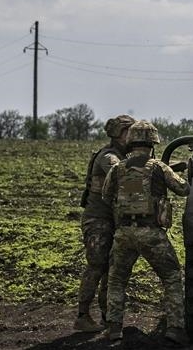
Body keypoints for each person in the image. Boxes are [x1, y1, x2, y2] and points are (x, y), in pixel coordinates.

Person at [101, 120, 191, 344]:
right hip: (151, 233)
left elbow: (105, 196)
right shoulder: (158, 167)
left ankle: (114, 329)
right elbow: (183, 189)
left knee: (117, 280)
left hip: (123, 233)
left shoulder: (118, 168)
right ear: (153, 143)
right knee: (171, 278)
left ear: (130, 142)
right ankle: (175, 329)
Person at [74, 114, 135, 332]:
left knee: (112, 269)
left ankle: (108, 317)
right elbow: (120, 172)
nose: (134, 136)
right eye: (130, 131)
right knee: (97, 264)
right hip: (98, 220)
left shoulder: (124, 155)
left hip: (114, 220)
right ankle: (82, 315)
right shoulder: (108, 156)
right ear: (119, 134)